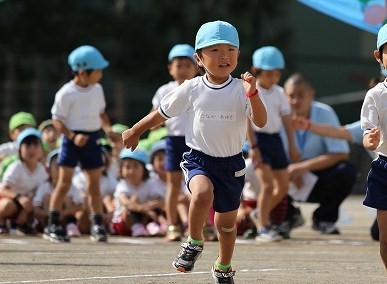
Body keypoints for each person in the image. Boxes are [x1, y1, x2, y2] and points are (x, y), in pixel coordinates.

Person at [122, 20, 267, 283]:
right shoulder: (192, 87)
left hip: (232, 164)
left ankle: (223, 266)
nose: (224, 56)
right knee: (201, 193)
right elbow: (161, 113)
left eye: (230, 50)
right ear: (198, 58)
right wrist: (135, 130)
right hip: (199, 158)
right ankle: (193, 241)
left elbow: (261, 121)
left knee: (226, 225)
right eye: (214, 50)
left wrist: (254, 94)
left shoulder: (241, 89)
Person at [43, 45, 121, 243]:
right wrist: (72, 136)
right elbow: (57, 120)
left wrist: (108, 130)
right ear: (82, 71)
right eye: (98, 70)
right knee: (64, 182)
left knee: (94, 184)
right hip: (71, 140)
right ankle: (52, 223)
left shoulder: (97, 89)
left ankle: (97, 225)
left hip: (93, 137)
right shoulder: (66, 93)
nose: (101, 75)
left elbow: (101, 113)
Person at [282, 73, 357, 235]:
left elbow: (341, 153)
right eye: (291, 96)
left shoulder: (325, 113)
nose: (295, 101)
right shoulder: (276, 114)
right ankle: (286, 216)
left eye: (301, 95)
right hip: (283, 175)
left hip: (316, 177)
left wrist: (302, 168)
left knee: (347, 171)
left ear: (312, 95)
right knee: (257, 168)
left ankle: (324, 218)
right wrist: (290, 170)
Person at [247, 46, 299, 242]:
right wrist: (253, 147)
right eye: (269, 74)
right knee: (267, 185)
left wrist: (292, 146)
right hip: (259, 141)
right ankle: (263, 227)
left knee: (283, 186)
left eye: (277, 74)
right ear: (256, 71)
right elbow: (247, 121)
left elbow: (286, 120)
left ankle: (260, 214)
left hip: (275, 140)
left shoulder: (279, 92)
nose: (273, 78)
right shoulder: (252, 91)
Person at [151, 44, 199, 241]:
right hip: (173, 142)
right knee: (173, 185)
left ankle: (198, 226)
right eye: (178, 65)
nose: (183, 69)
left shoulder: (200, 87)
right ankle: (173, 225)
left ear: (197, 67)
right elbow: (155, 114)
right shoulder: (164, 91)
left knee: (196, 186)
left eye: (188, 65)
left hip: (196, 142)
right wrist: (150, 126)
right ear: (170, 68)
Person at [361, 23, 387, 269]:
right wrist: (370, 139)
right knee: (385, 236)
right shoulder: (376, 95)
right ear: (379, 56)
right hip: (384, 168)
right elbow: (368, 131)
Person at [0, 128, 48, 235]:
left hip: (28, 204)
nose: (32, 150)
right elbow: (3, 190)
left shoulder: (42, 171)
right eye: (27, 146)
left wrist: (26, 209)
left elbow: (39, 193)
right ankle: (2, 222)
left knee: (39, 204)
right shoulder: (16, 167)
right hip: (12, 201)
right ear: (19, 150)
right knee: (7, 205)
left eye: (36, 145)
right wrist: (19, 198)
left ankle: (22, 225)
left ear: (42, 150)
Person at [111, 147, 165, 237]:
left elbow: (160, 201)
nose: (131, 171)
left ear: (144, 169)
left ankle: (150, 225)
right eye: (127, 167)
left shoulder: (149, 183)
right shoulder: (122, 185)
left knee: (153, 201)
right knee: (134, 199)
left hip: (143, 216)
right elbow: (126, 203)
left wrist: (148, 206)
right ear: (121, 169)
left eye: (136, 166)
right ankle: (137, 226)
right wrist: (145, 210)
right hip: (122, 222)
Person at [33, 149, 83, 237]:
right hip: (47, 217)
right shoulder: (44, 186)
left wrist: (64, 213)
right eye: (57, 166)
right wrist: (50, 214)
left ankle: (69, 225)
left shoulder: (72, 186)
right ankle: (49, 225)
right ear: (48, 170)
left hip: (65, 218)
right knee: (47, 198)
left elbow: (80, 205)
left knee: (67, 199)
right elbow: (36, 208)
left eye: (63, 167)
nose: (61, 170)